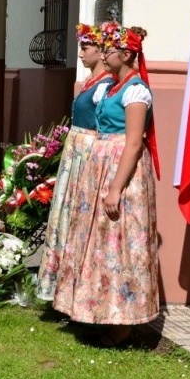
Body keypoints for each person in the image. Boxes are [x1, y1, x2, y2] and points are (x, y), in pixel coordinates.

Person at [52, 21, 161, 347]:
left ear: (126, 54)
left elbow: (132, 143)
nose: (104, 53)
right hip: (102, 169)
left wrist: (115, 188)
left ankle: (123, 324)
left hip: (122, 175)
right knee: (101, 245)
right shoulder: (111, 86)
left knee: (120, 245)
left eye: (110, 49)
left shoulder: (135, 90)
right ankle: (101, 312)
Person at [36, 23, 114, 301]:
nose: (80, 53)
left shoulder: (105, 86)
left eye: (85, 47)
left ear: (101, 51)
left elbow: (103, 127)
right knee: (65, 216)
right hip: (75, 155)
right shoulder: (91, 83)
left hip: (87, 158)